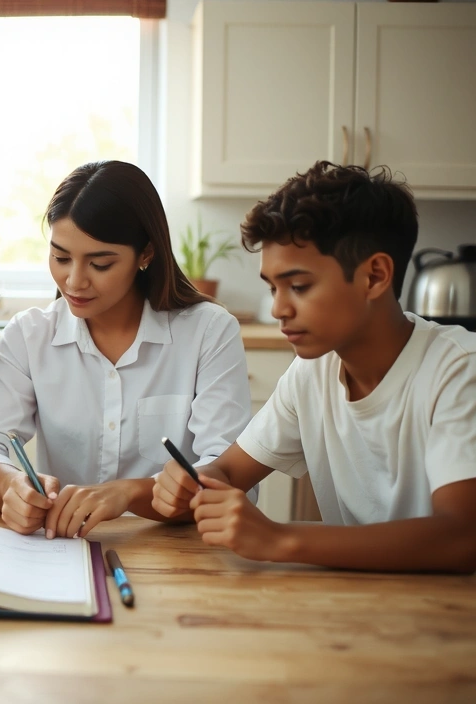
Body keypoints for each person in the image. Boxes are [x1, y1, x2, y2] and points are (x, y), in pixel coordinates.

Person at [151, 161, 476, 574]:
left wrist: (279, 538)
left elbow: (462, 537)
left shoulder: (459, 370)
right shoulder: (313, 371)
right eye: (273, 287)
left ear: (374, 276)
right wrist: (195, 481)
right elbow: (230, 470)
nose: (278, 309)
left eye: (299, 286)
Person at [0, 160, 252, 539]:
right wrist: (10, 486)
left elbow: (227, 474)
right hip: (64, 547)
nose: (74, 281)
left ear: (146, 254)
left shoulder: (208, 331)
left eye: (99, 264)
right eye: (61, 257)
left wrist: (129, 493)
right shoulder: (29, 335)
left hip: (177, 548)